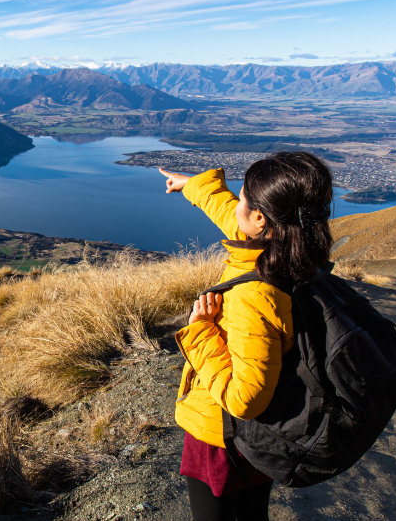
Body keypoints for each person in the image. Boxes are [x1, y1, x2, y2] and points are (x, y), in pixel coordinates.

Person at [159, 152, 334, 521]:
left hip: (225, 436)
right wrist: (192, 185)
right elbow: (231, 215)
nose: (236, 206)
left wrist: (201, 331)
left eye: (243, 199)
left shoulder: (255, 295)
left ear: (259, 219)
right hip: (267, 429)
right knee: (254, 513)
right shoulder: (292, 253)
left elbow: (245, 400)